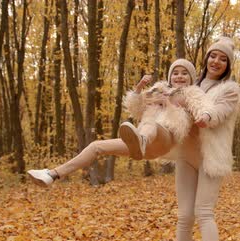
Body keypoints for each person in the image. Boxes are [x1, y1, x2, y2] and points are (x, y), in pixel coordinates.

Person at [27, 59, 204, 186]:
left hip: (165, 139)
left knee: (152, 125)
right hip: (143, 144)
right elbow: (135, 108)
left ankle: (140, 139)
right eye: (176, 73)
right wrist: (139, 88)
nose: (179, 76)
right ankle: (52, 174)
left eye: (184, 73)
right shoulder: (158, 90)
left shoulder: (192, 94)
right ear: (170, 76)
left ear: (191, 78)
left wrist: (169, 104)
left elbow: (197, 114)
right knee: (97, 146)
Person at [174, 37, 240, 241]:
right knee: (184, 215)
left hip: (211, 158)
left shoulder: (230, 90)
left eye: (223, 59)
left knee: (204, 213)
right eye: (213, 56)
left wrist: (207, 117)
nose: (216, 61)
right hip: (186, 156)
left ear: (227, 66)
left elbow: (218, 112)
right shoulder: (190, 86)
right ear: (206, 59)